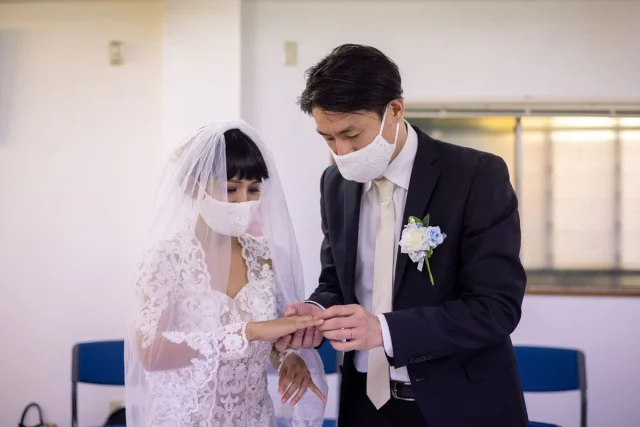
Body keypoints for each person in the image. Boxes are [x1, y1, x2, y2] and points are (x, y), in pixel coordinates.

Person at [276, 44, 528, 427]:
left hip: (458, 404)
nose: (342, 152)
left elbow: (496, 307)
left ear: (395, 110)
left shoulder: (475, 176)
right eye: (328, 138)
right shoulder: (335, 184)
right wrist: (319, 310)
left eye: (351, 134)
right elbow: (336, 282)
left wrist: (384, 330)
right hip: (364, 405)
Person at [124, 121, 328, 427]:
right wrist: (249, 331)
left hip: (255, 418)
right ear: (192, 186)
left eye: (253, 189)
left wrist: (290, 358)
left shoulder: (267, 258)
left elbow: (276, 340)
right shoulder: (164, 260)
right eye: (231, 189)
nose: (244, 201)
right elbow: (151, 354)